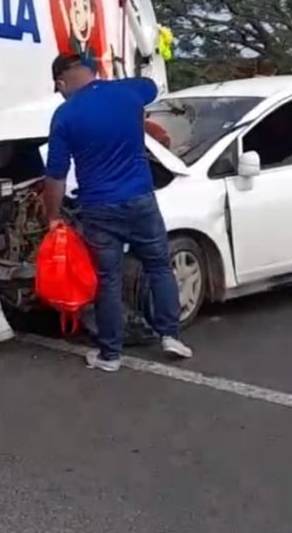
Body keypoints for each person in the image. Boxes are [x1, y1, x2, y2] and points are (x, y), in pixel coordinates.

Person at [42, 53, 193, 372]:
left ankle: (110, 355)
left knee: (107, 279)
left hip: (99, 208)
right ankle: (170, 336)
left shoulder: (65, 114)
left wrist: (53, 216)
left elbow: (55, 173)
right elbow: (152, 85)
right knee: (158, 265)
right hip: (140, 200)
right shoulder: (128, 92)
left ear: (61, 82)